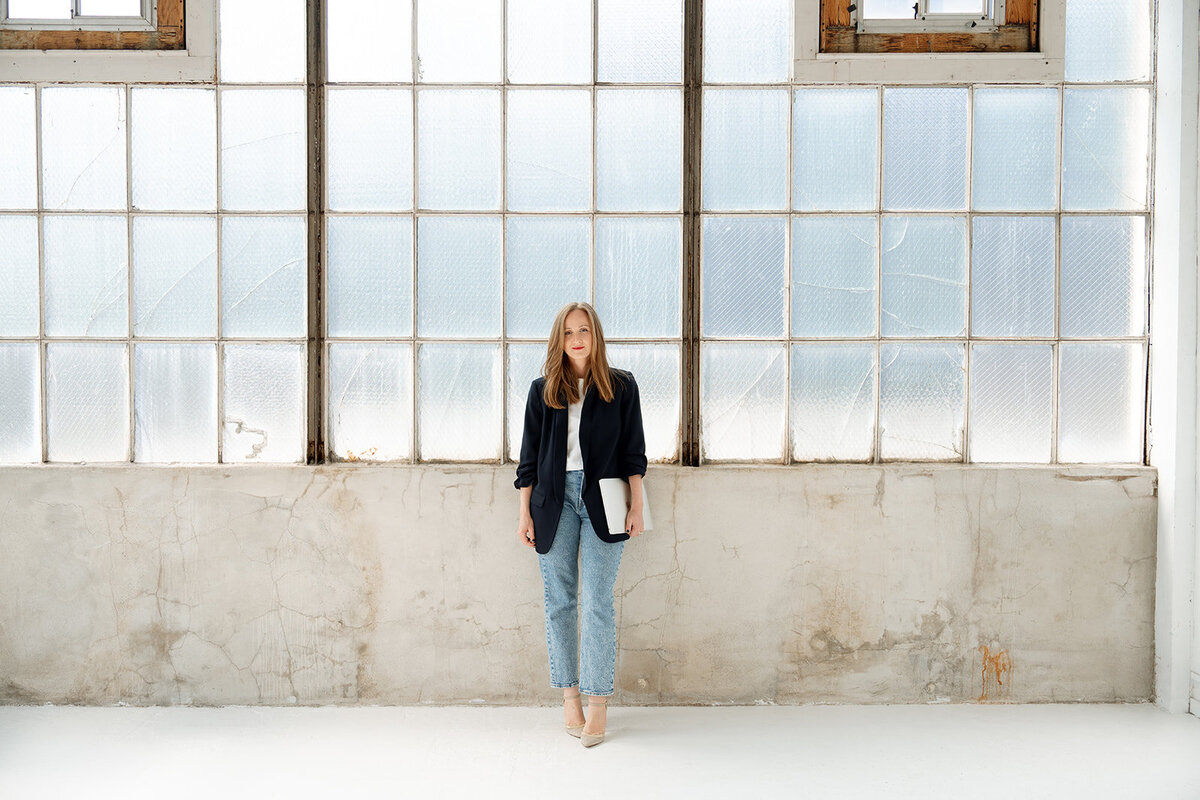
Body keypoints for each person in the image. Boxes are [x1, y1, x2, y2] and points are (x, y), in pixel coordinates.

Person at [514, 301, 647, 748]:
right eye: (569, 331)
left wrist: (637, 506)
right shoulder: (542, 390)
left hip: (606, 498)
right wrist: (524, 512)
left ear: (596, 336)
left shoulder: (621, 387)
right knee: (560, 601)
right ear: (560, 338)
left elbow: (634, 454)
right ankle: (569, 696)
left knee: (596, 601)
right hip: (553, 500)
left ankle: (598, 703)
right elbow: (528, 460)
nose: (577, 339)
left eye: (584, 330)